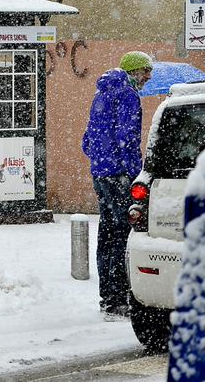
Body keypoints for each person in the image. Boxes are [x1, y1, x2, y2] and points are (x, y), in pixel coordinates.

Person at [82, 51, 153, 318]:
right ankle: (120, 296)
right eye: (146, 71)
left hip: (101, 174)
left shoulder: (101, 93)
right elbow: (127, 137)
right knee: (124, 235)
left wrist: (101, 161)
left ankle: (108, 296)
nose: (148, 77)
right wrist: (135, 172)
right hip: (121, 175)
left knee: (107, 233)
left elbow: (87, 140)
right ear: (134, 71)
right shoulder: (128, 95)